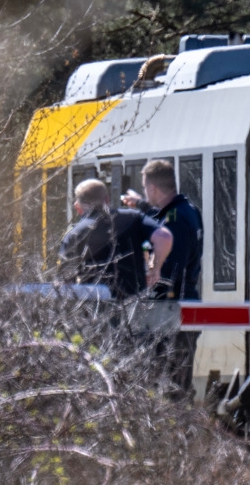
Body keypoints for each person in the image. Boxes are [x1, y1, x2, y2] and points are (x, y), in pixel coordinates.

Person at [124, 159, 203, 394]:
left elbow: (170, 269)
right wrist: (144, 207)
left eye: (146, 188)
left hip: (170, 310)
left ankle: (175, 429)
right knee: (176, 381)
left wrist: (147, 268)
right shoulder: (188, 209)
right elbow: (164, 218)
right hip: (183, 303)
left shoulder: (174, 220)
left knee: (171, 387)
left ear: (153, 188)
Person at [59, 178, 172, 299]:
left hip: (94, 308)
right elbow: (164, 237)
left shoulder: (74, 235)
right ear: (107, 200)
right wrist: (155, 268)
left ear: (77, 207)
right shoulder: (133, 218)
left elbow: (65, 284)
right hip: (135, 306)